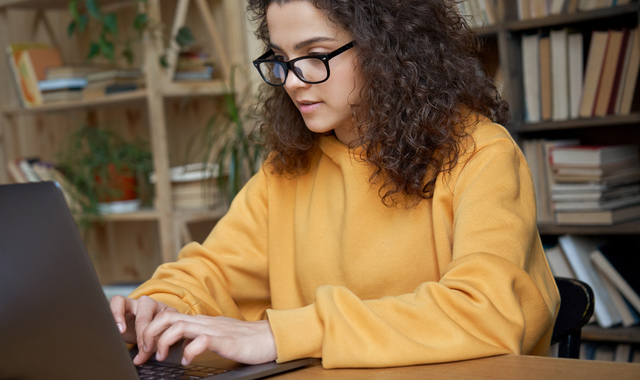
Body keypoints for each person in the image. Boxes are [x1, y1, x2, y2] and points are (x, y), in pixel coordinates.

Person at [110, 0, 560, 369]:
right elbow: (214, 272)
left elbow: (489, 312)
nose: (290, 81)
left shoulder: (481, 154)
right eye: (282, 59)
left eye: (314, 55)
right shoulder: (287, 168)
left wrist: (281, 335)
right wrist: (157, 309)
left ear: (387, 48)